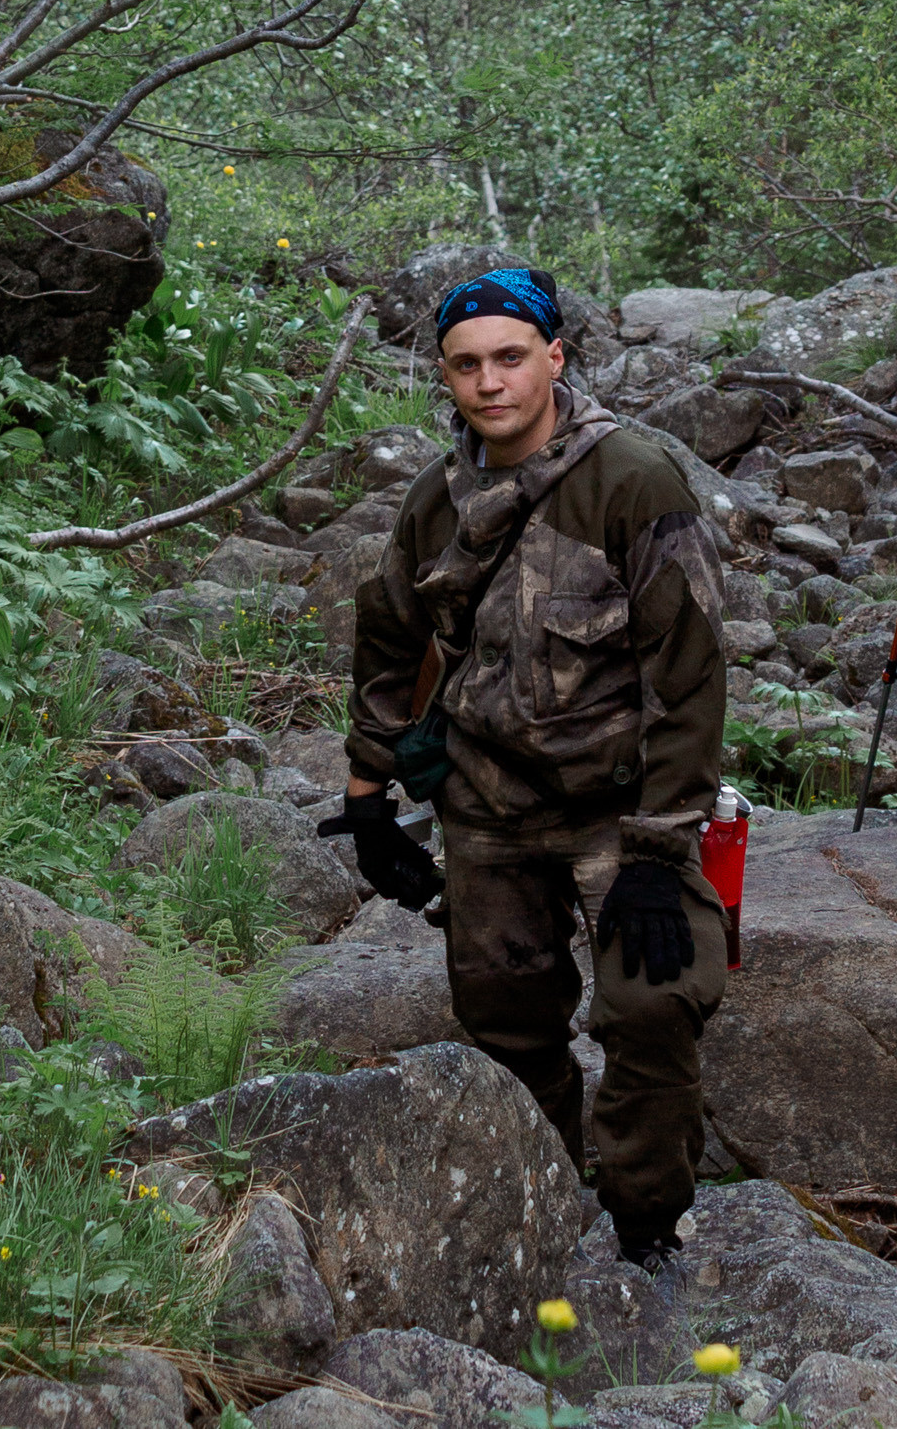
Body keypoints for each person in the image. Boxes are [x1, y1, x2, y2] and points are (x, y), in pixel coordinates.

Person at [332, 263, 728, 1270]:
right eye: (465, 363)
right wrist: (368, 794)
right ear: (444, 375)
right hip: (488, 805)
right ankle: (543, 1207)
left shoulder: (633, 479)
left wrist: (654, 846)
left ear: (554, 355)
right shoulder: (437, 498)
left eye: (510, 355)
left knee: (652, 1005)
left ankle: (648, 1225)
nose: (489, 380)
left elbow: (686, 676)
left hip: (618, 804)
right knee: (505, 1021)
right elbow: (386, 634)